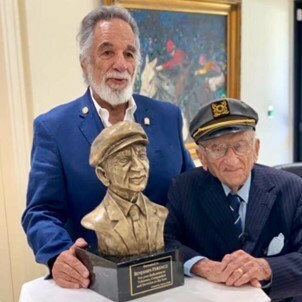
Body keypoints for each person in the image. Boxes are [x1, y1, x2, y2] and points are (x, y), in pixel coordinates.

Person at [22, 5, 193, 289]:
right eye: (107, 52)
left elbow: (190, 193)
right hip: (96, 284)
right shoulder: (54, 128)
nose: (120, 64)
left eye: (129, 53)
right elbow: (40, 212)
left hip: (167, 278)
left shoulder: (167, 116)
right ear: (85, 62)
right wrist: (58, 254)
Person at [164, 98, 302, 301]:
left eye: (240, 146)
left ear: (255, 149)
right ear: (202, 157)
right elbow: (166, 242)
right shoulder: (183, 189)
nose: (231, 160)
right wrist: (204, 266)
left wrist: (264, 268)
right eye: (218, 149)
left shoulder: (292, 188)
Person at [81, 121, 168, 256]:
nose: (138, 167)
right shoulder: (97, 221)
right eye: (124, 160)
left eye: (141, 155)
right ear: (103, 174)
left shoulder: (160, 213)